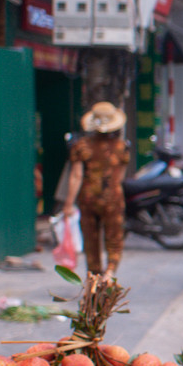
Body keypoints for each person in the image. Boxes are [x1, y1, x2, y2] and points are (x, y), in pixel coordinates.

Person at [58, 101, 130, 277]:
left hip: (88, 198)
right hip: (113, 198)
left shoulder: (81, 146)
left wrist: (68, 204)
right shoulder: (121, 147)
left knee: (91, 242)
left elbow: (76, 176)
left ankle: (95, 277)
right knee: (114, 238)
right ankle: (110, 272)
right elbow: (119, 177)